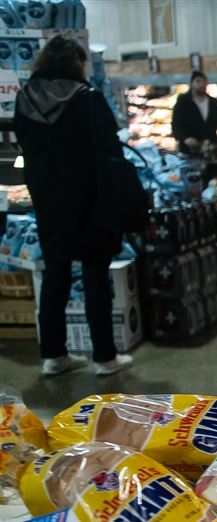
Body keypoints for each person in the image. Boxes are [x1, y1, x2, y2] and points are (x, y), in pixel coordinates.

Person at [14, 35, 134, 376]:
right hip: (91, 201)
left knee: (56, 275)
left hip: (50, 202)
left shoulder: (25, 99)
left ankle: (53, 355)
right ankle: (105, 359)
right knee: (96, 276)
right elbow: (111, 150)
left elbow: (26, 147)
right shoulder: (88, 99)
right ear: (75, 64)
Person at [171, 71, 217, 154]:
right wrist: (185, 138)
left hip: (210, 148)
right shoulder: (183, 101)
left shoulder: (213, 102)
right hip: (189, 149)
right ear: (192, 84)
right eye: (198, 81)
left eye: (204, 81)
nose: (201, 84)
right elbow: (176, 124)